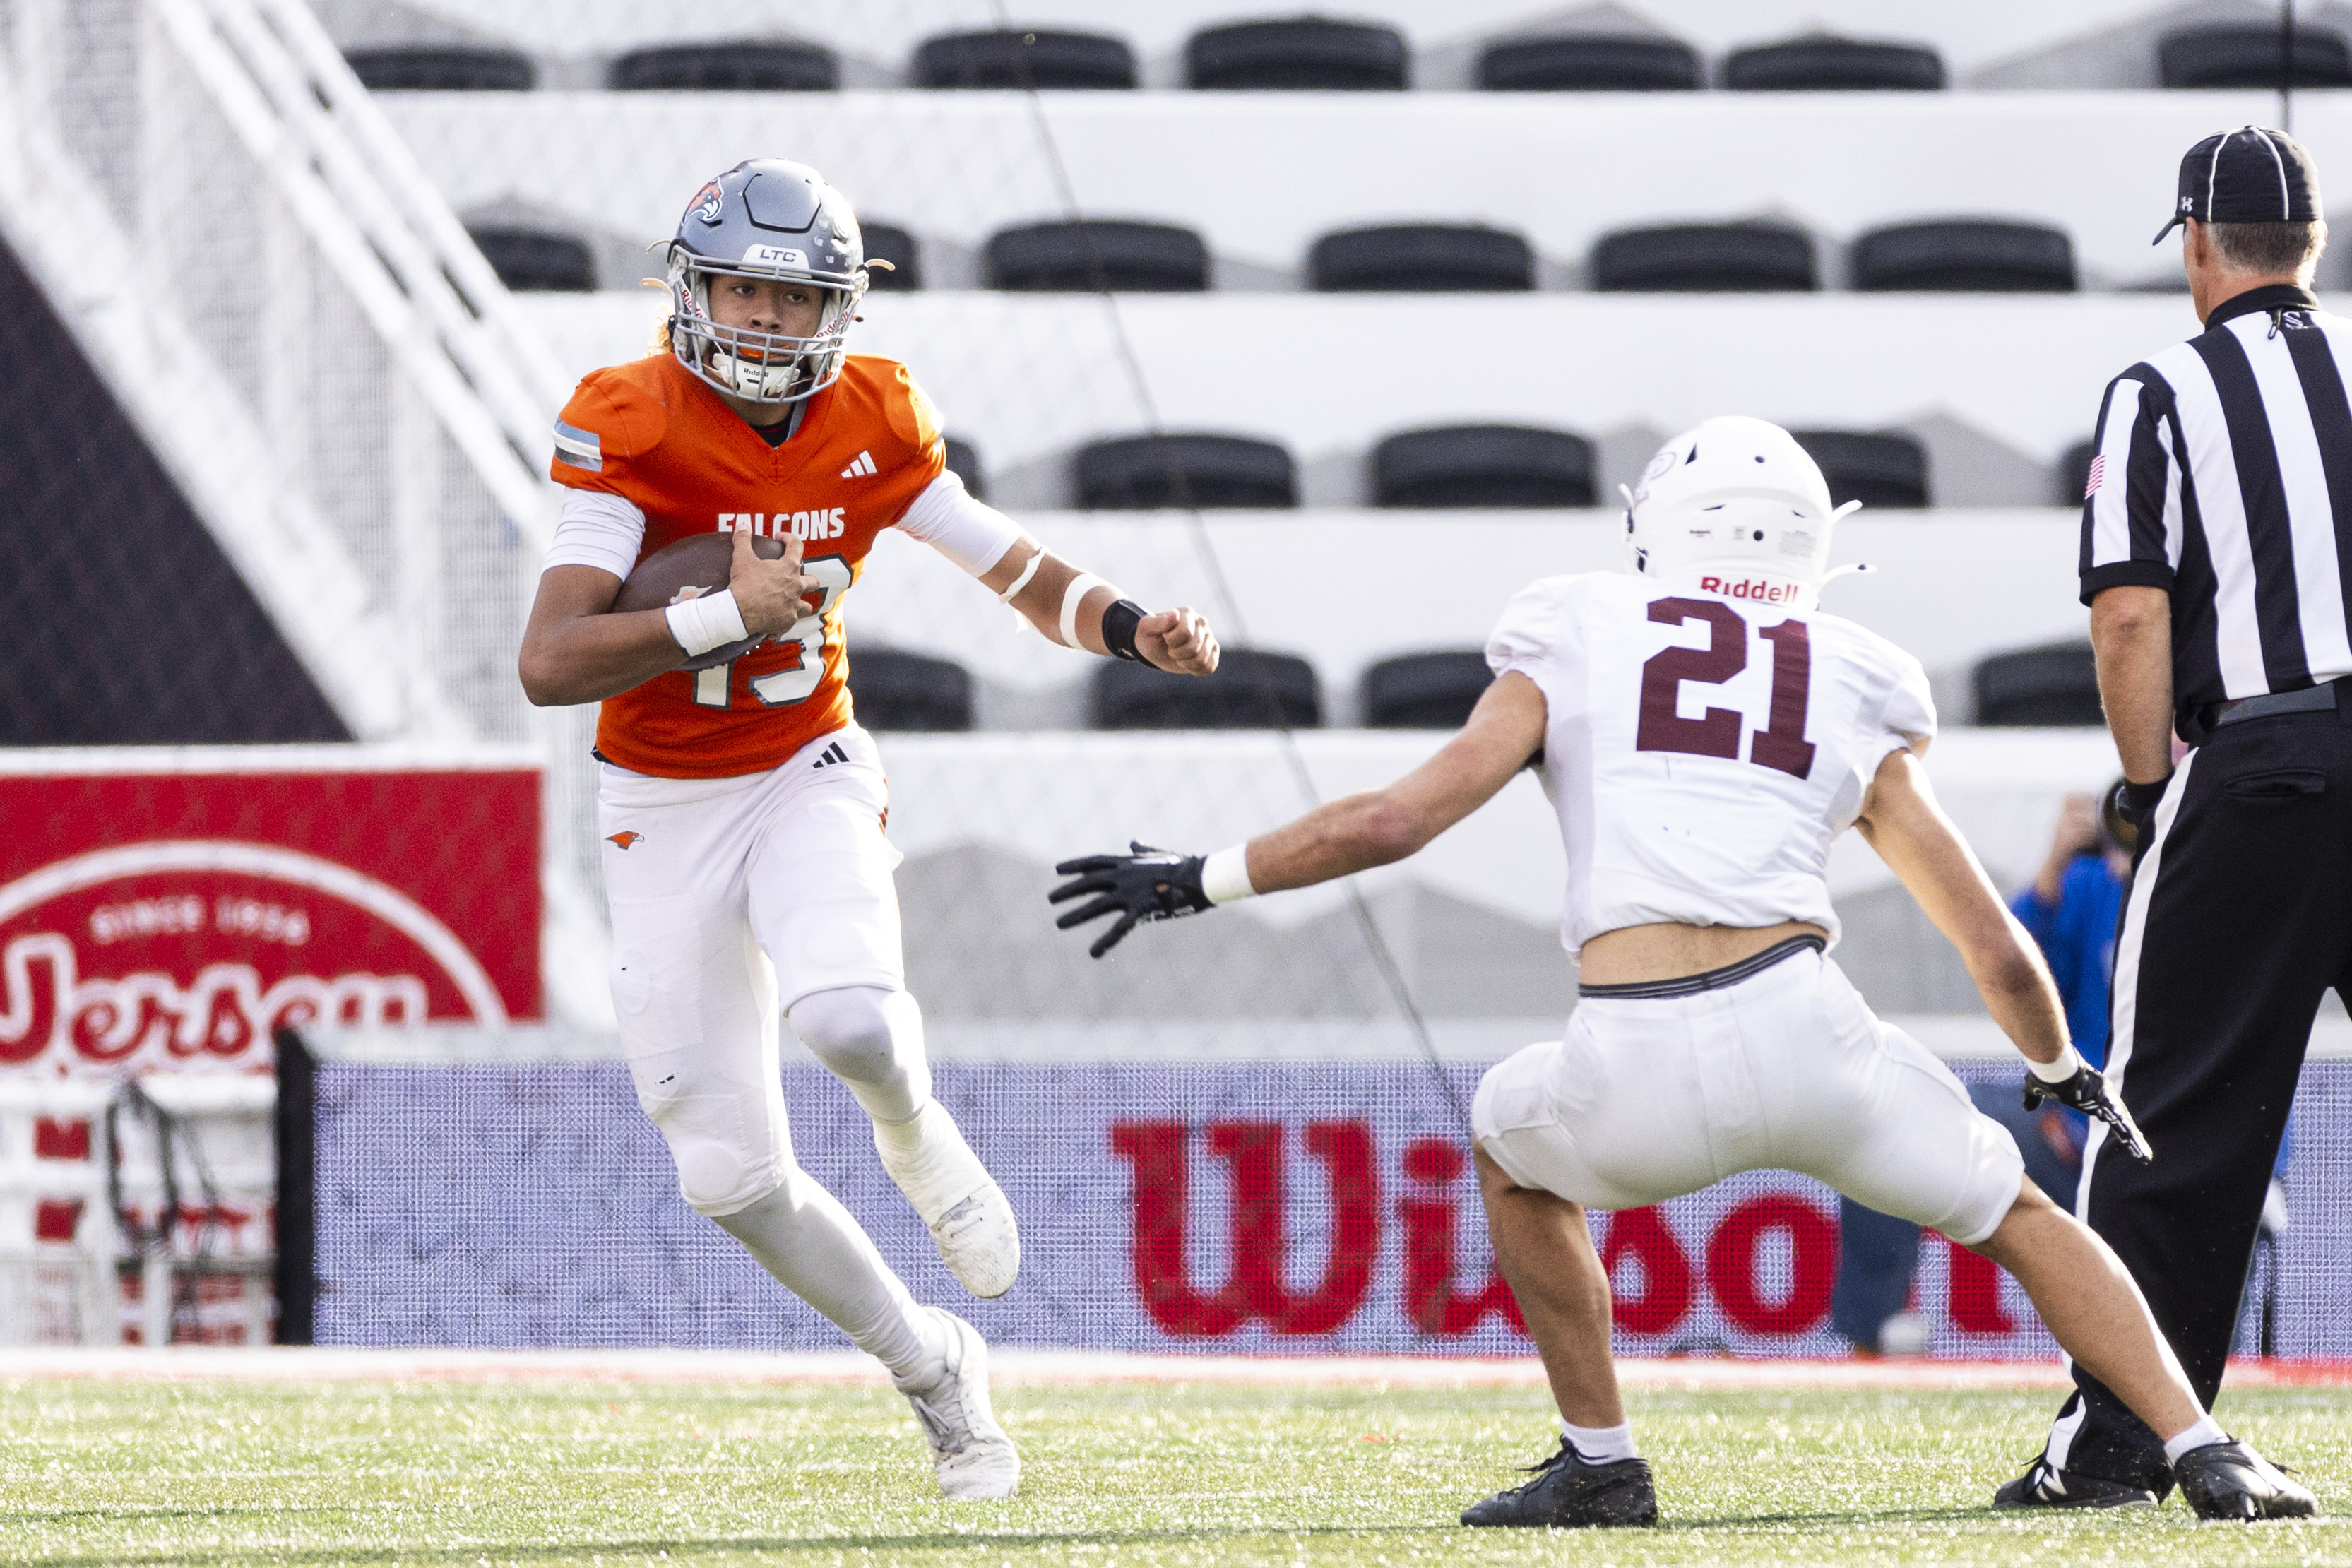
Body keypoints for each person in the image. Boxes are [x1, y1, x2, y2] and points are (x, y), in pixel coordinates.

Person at [1048, 417, 2313, 1526]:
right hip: (1812, 1035)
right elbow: (1989, 938)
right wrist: (2056, 1069)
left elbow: (1396, 823)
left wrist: (1201, 875)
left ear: (1656, 529)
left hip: (1632, 1051)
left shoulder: (1577, 624)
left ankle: (1602, 1464)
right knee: (2027, 1219)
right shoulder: (1854, 675)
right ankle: (2201, 1445)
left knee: (1508, 1146)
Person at [516, 159, 1220, 1500]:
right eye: (748, 293)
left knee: (849, 1021)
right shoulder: (627, 418)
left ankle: (912, 1130)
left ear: (836, 308)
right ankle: (937, 1371)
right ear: (694, 288)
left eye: (796, 299)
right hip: (659, 804)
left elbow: (1010, 568)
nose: (771, 324)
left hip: (804, 764)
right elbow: (550, 662)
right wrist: (723, 613)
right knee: (725, 1174)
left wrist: (1133, 626)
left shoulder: (880, 412)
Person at [2007, 124, 2351, 1511]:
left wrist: (2147, 793)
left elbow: (2132, 613)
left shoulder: (2162, 388)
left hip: (2260, 765)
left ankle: (2122, 1438)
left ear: (2198, 246)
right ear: (2310, 243)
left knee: (2171, 1117)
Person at [1829, 791, 2132, 1356]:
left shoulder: (2209, 891)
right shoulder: (2094, 885)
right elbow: (2014, 972)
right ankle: (1868, 1344)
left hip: (2157, 1135)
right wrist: (2052, 872)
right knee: (1891, 1116)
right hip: (2069, 1117)